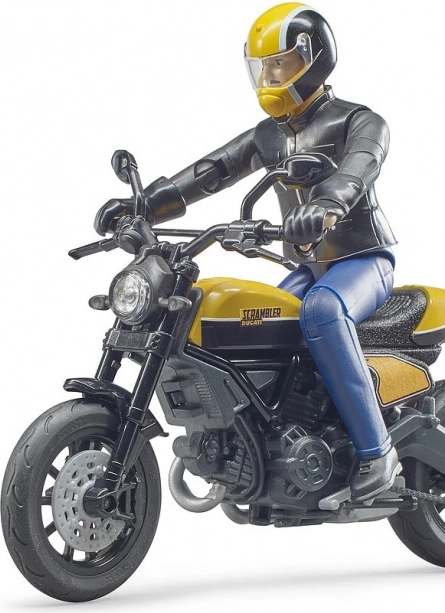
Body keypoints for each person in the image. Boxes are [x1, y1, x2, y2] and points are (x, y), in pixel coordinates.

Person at [95, 2, 399, 500]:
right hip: (308, 264)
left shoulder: (359, 121)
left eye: (281, 64)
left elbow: (358, 169)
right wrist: (142, 206)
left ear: (313, 59)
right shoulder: (268, 134)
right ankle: (267, 439)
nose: (270, 76)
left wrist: (326, 204)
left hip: (363, 260)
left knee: (321, 312)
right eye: (264, 67)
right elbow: (210, 172)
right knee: (259, 322)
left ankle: (376, 450)